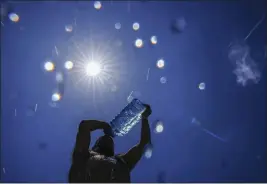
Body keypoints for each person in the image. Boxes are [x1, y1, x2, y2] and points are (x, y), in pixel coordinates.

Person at [68, 105, 152, 183]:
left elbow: (144, 143)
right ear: (94, 147)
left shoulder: (122, 161)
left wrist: (144, 117)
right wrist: (104, 125)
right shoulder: (83, 156)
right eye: (101, 139)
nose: (106, 138)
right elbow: (84, 126)